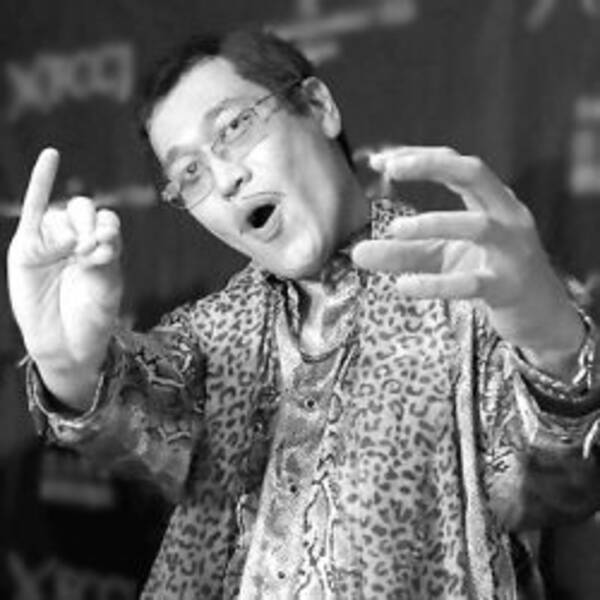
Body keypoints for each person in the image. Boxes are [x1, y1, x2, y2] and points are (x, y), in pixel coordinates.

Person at [6, 28, 600, 600]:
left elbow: (552, 494)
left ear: (318, 106)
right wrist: (68, 365)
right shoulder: (213, 336)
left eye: (234, 128)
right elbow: (137, 421)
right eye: (189, 173)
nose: (226, 178)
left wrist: (552, 346)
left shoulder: (467, 286)